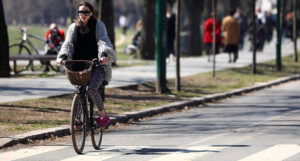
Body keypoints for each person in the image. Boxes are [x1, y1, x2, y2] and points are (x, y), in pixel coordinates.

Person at [56, 1, 116, 128]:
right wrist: (62, 56)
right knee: (79, 90)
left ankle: (102, 114)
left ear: (91, 13)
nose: (84, 14)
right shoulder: (73, 27)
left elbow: (103, 41)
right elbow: (68, 44)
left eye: (86, 12)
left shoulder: (98, 25)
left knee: (92, 90)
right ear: (78, 13)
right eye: (81, 12)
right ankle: (77, 119)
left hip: (96, 65)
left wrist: (104, 55)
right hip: (78, 65)